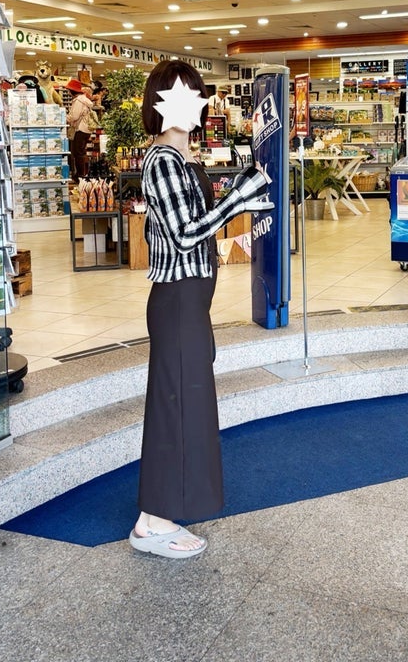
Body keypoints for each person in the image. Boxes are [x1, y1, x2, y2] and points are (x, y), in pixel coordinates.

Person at [130, 60, 268, 559]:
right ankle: (152, 522)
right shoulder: (162, 162)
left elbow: (196, 221)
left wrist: (240, 196)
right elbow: (187, 233)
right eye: (179, 94)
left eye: (196, 94)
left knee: (186, 404)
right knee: (176, 407)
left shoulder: (183, 159)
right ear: (160, 103)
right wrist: (241, 198)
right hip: (177, 300)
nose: (192, 104)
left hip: (191, 299)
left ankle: (160, 512)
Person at [67, 83, 95, 180]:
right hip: (85, 129)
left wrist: (65, 117)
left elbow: (74, 116)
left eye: (69, 90)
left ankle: (80, 175)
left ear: (72, 91)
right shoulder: (84, 100)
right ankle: (81, 174)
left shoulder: (78, 101)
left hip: (80, 129)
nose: (68, 92)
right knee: (81, 152)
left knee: (78, 153)